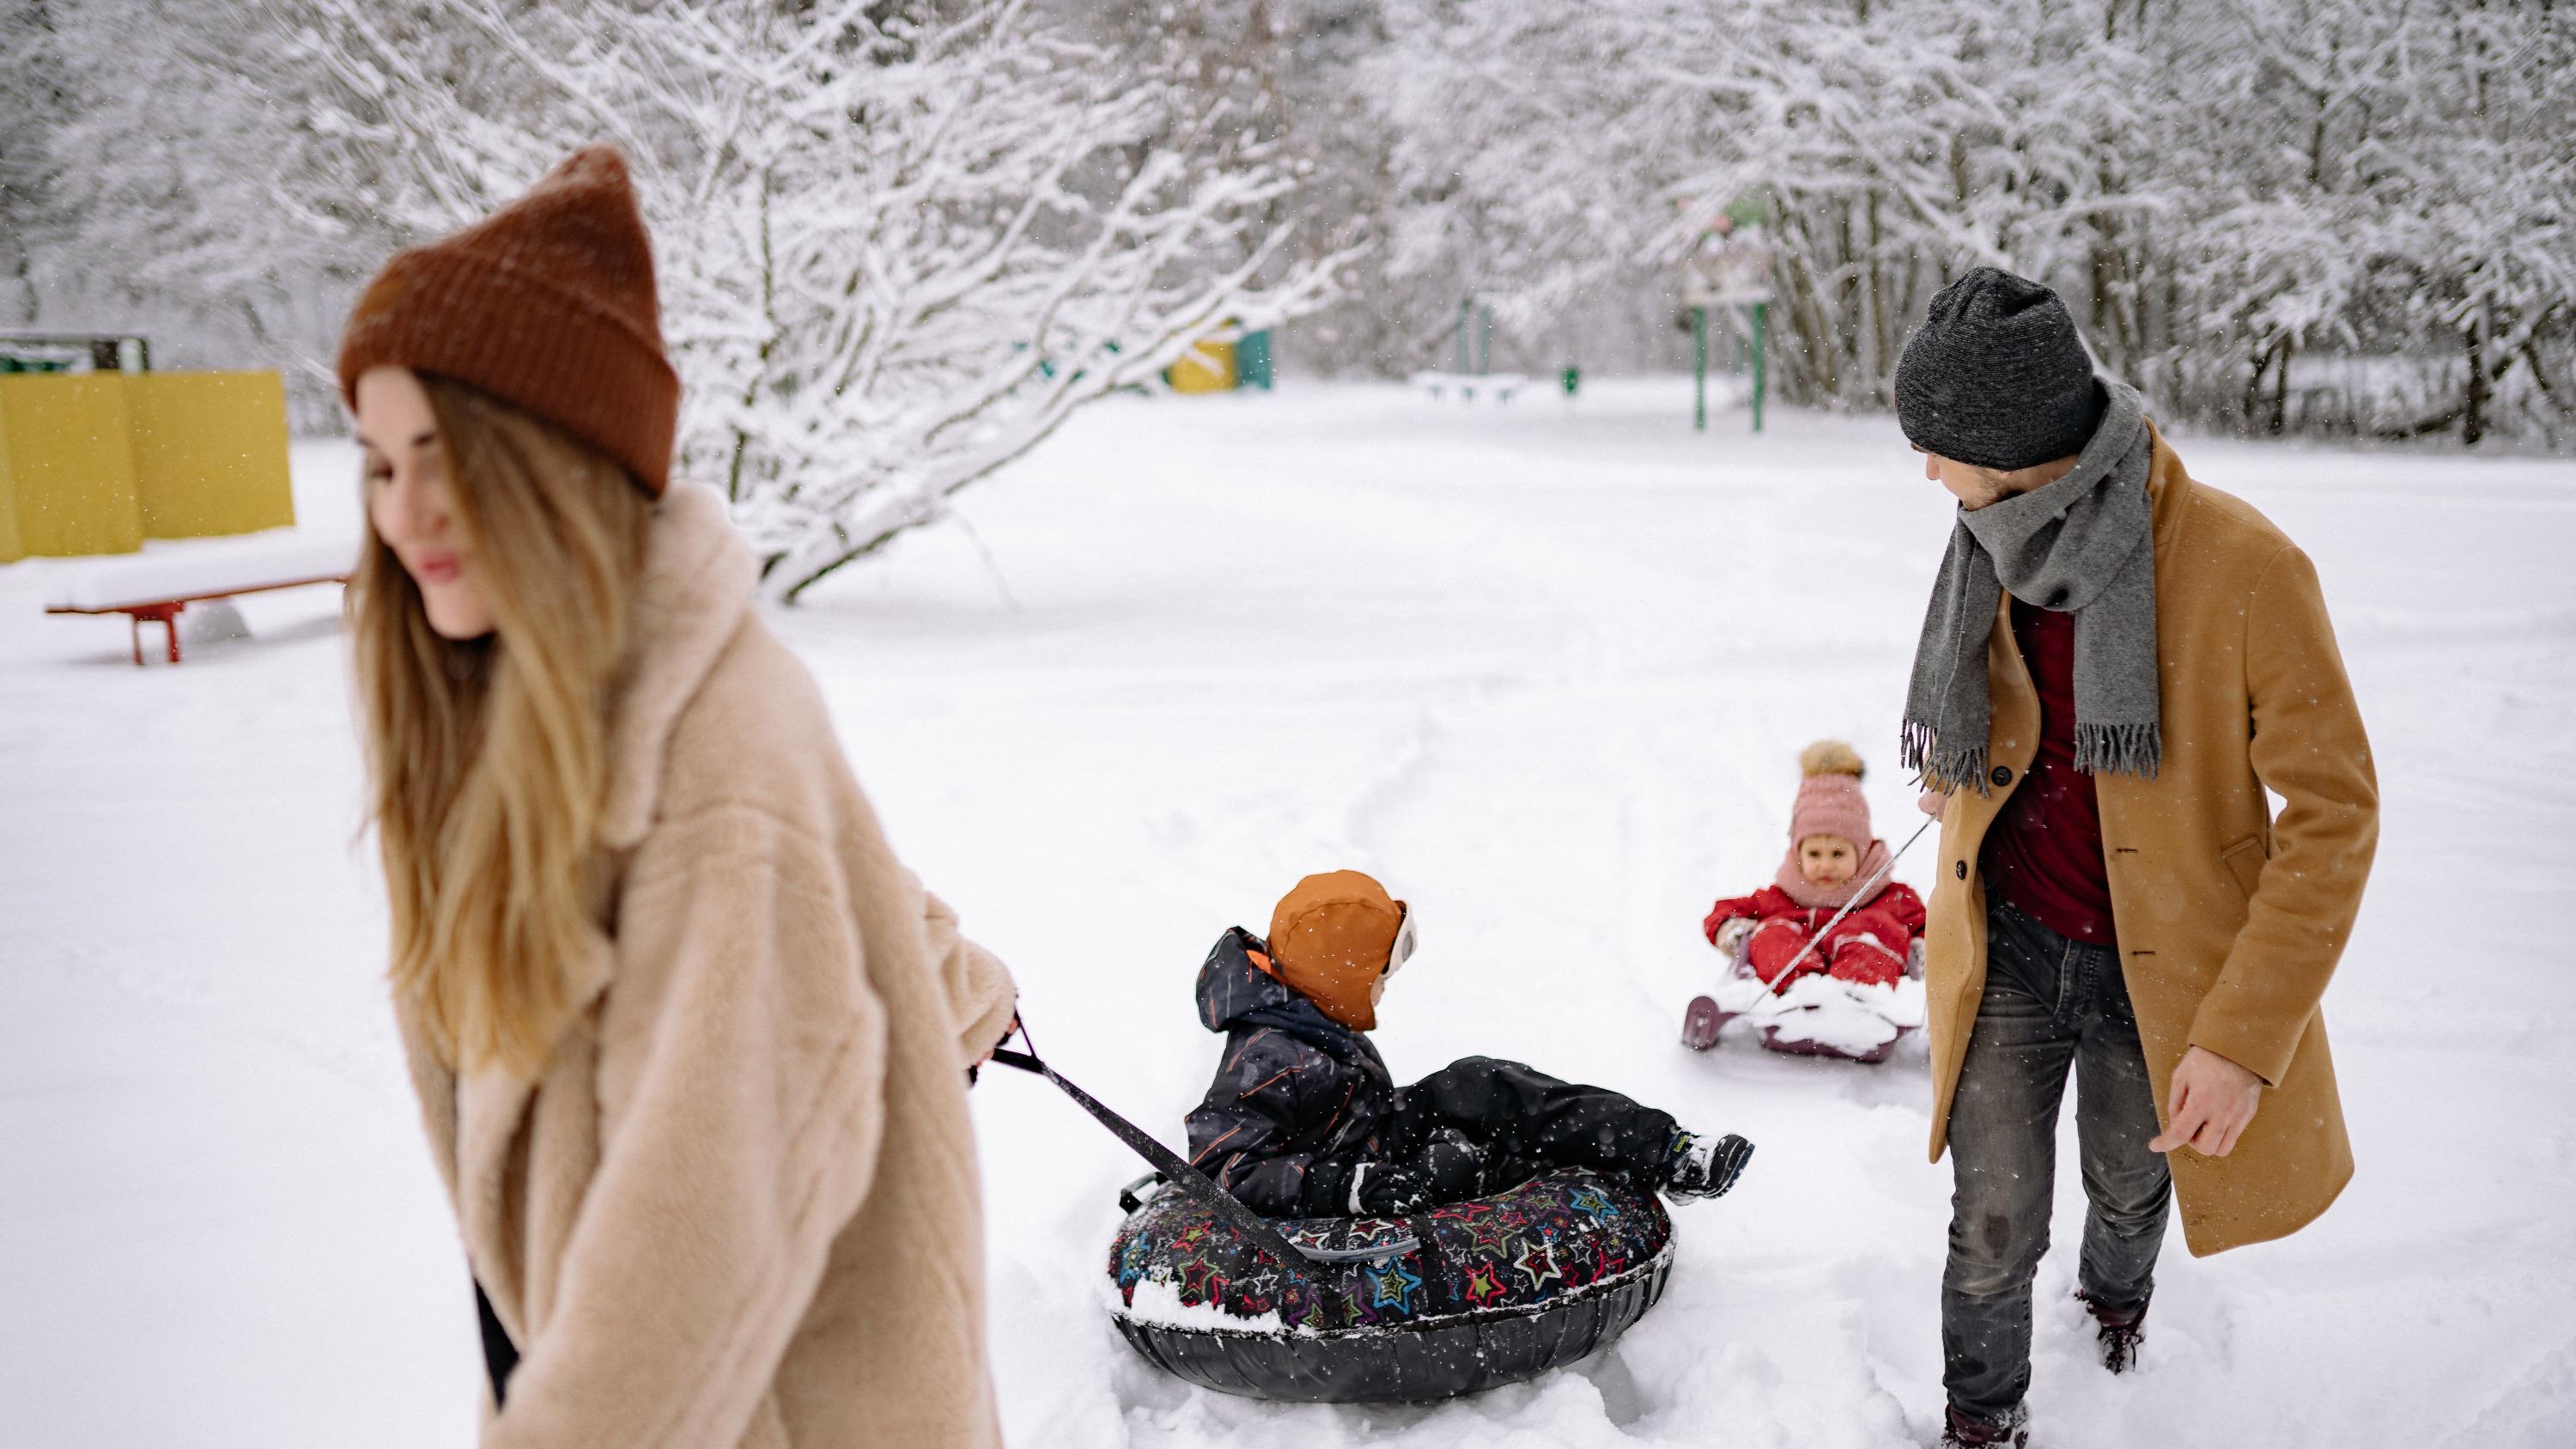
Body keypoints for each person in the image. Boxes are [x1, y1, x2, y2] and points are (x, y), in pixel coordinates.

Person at [340, 147, 1019, 1447]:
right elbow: (847, 891)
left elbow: (687, 1257)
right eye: (376, 462)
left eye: (444, 454)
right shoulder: (538, 714)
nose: (406, 510)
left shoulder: (715, 749)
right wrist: (961, 985)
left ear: (551, 460)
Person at [1893, 269, 2378, 1448]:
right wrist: (1967, 763)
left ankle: (2118, 1301)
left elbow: (2335, 812)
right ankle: (1981, 1420)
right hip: (2008, 939)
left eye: (1943, 447)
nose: (1926, 474)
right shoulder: (1991, 538)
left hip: (2161, 974)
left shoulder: (2243, 566)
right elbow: (2010, 710)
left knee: (2128, 1185)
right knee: (1992, 1217)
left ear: (2024, 451)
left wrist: (2243, 1040)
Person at [1185, 870, 1754, 1218]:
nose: (1386, 984)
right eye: (1381, 971)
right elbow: (1219, 1167)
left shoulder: (1308, 1010)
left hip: (1375, 1133)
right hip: (1346, 1176)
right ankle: (1566, 1171)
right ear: (1340, 975)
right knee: (1459, 1162)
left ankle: (1668, 1151)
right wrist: (1345, 1186)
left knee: (1481, 1083)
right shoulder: (1265, 1057)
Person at [1702, 740, 1927, 991]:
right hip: (1791, 1006)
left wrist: (1925, 948)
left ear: (1862, 853)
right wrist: (1730, 929)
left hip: (1864, 1007)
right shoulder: (1781, 898)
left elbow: (1935, 927)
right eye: (1814, 854)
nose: (1825, 865)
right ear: (1798, 853)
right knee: (1773, 931)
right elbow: (1724, 911)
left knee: (1876, 929)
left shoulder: (1893, 899)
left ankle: (1853, 996)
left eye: (1838, 854)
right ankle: (1801, 994)